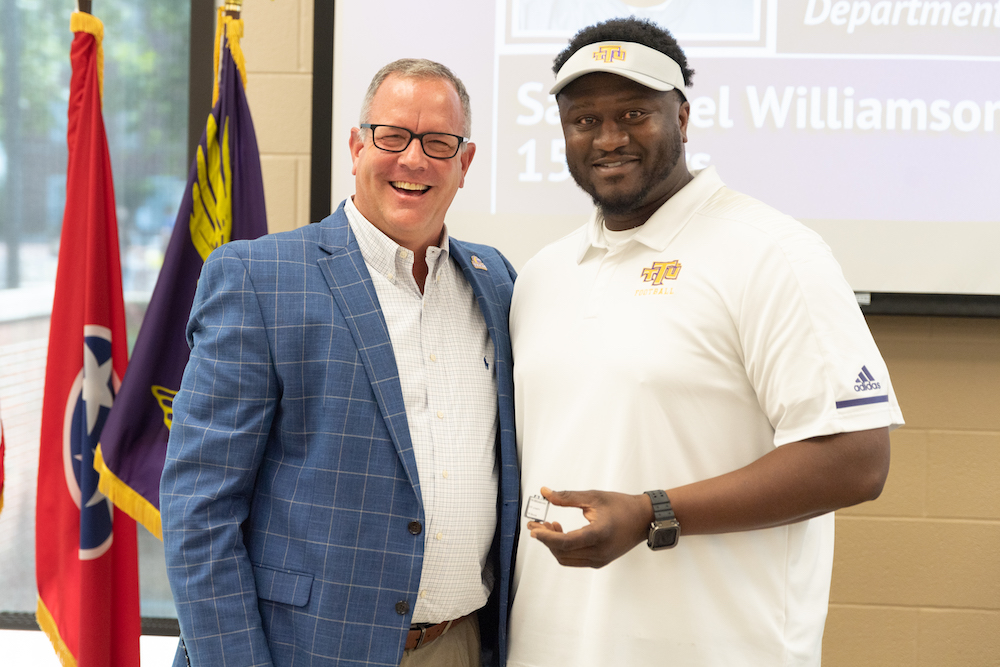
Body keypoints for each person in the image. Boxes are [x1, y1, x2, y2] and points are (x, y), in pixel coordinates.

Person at [507, 17, 903, 667]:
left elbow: (858, 460)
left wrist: (651, 511)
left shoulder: (773, 252)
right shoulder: (544, 274)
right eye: (585, 119)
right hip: (551, 648)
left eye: (634, 112)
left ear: (682, 117)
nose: (609, 138)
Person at [161, 59, 519, 667]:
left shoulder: (496, 281)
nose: (414, 159)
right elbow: (199, 509)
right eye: (392, 135)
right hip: (304, 650)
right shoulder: (259, 277)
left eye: (439, 143)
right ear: (356, 146)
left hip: (462, 645)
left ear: (465, 163)